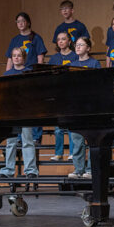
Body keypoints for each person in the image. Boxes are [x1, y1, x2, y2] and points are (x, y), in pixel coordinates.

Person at [0, 47, 40, 178]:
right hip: (11, 112)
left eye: (19, 56)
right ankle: (8, 170)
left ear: (24, 58)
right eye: (14, 56)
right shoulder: (7, 74)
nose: (16, 58)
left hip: (25, 111)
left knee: (27, 140)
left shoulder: (29, 72)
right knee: (10, 142)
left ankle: (31, 170)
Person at [67, 36, 100, 178]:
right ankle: (78, 169)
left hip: (91, 106)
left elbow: (100, 83)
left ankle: (90, 170)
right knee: (77, 141)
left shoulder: (94, 63)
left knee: (92, 140)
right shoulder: (72, 64)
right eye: (77, 45)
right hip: (76, 107)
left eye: (81, 45)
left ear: (88, 48)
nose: (78, 47)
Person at [48, 32, 77, 160]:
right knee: (58, 127)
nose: (60, 41)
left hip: (71, 93)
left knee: (71, 126)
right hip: (58, 94)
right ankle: (58, 153)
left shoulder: (75, 56)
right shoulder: (53, 58)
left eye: (63, 39)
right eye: (58, 39)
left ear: (69, 42)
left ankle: (72, 152)